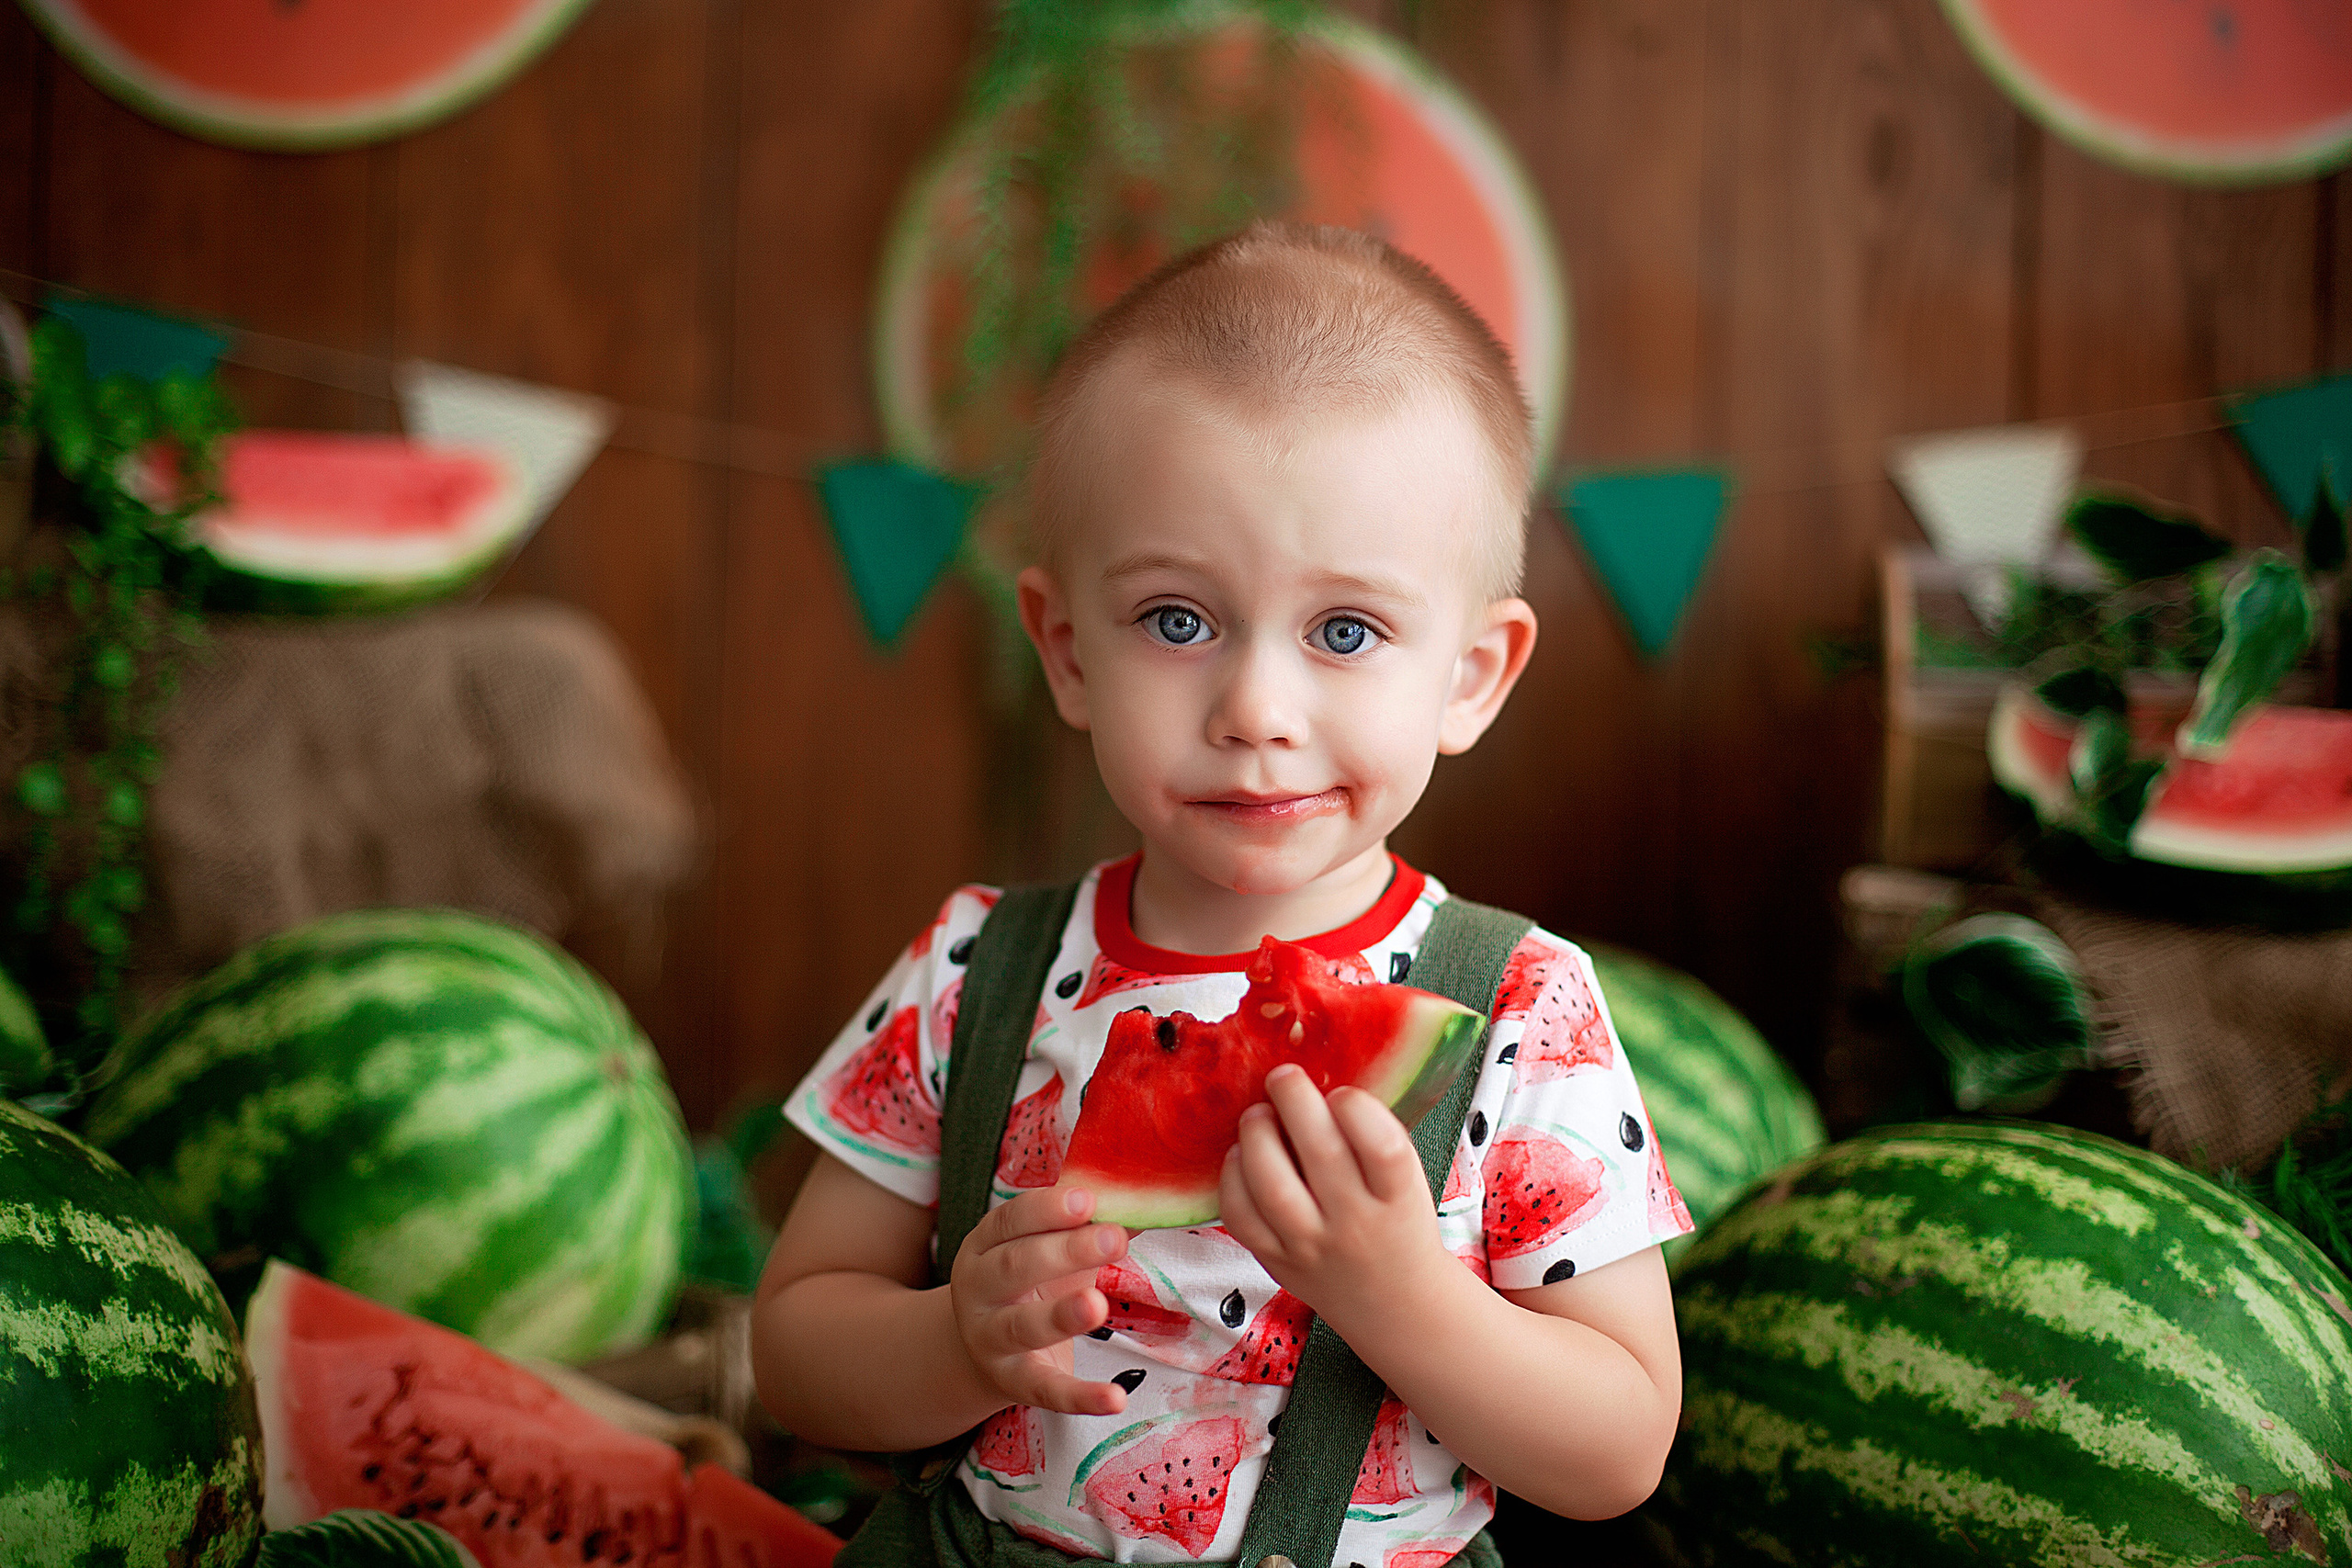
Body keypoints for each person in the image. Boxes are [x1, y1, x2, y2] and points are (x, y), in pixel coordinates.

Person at [752, 221, 1690, 1565]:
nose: (1257, 710)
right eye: (1177, 621)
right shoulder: (976, 967)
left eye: (1346, 632)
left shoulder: (1521, 1007)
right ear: (1068, 653)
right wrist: (953, 1340)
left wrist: (1399, 1296)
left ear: (1474, 675)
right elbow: (792, 1349)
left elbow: (1617, 1453)